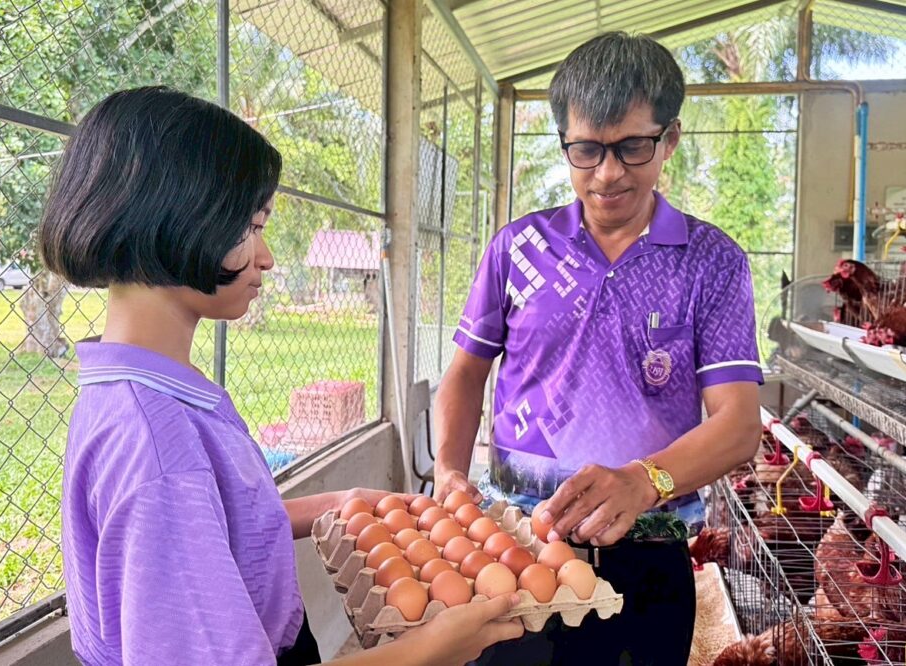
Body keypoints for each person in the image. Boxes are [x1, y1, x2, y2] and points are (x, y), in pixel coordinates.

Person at [40, 86, 524, 666]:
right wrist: (426, 651)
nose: (266, 257)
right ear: (176, 219)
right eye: (250, 226)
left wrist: (337, 502)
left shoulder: (141, 389)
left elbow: (212, 521)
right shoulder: (154, 443)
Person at [433, 32, 763, 665]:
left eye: (632, 147)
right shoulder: (518, 249)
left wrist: (645, 480)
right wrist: (448, 470)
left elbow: (738, 424)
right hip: (516, 548)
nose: (608, 173)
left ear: (669, 139)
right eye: (586, 150)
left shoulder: (711, 262)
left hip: (649, 554)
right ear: (564, 142)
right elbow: (467, 372)